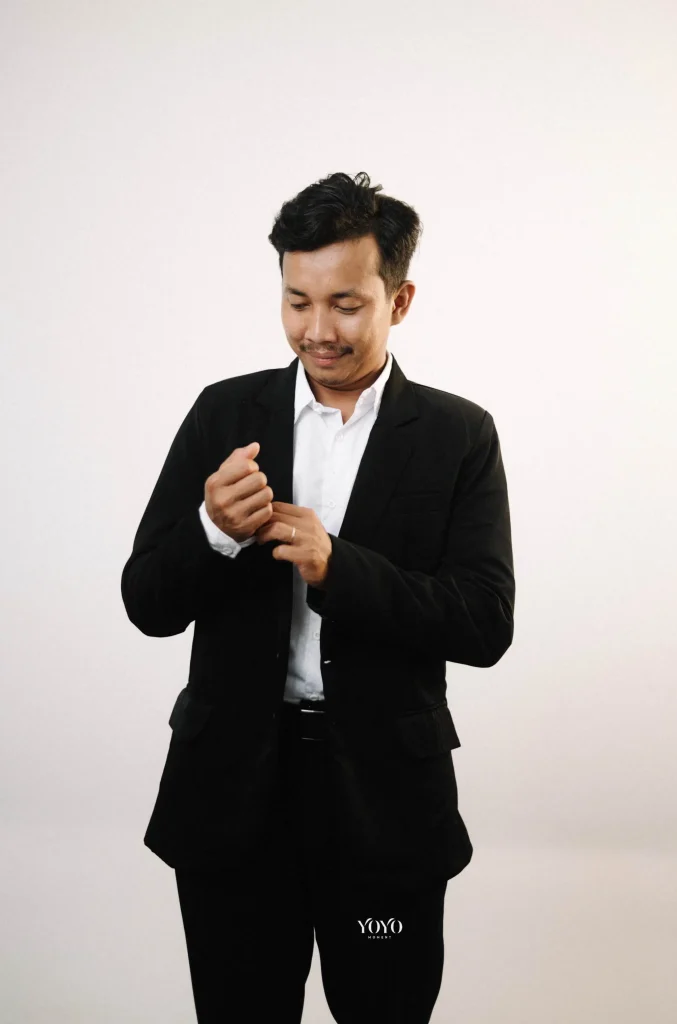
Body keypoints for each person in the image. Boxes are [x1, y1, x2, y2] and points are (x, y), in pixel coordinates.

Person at [121, 170, 515, 1023]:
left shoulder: (457, 434)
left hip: (384, 805)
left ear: (398, 300)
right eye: (297, 301)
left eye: (345, 304)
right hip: (232, 795)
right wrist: (212, 530)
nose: (317, 329)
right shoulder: (224, 413)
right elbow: (146, 602)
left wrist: (342, 569)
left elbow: (484, 623)